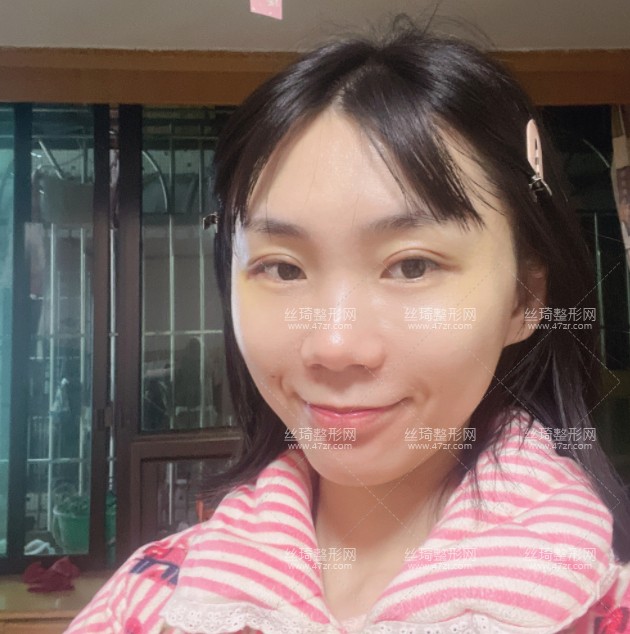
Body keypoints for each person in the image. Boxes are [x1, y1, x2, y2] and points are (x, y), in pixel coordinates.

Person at [66, 17, 630, 634]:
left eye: (412, 265)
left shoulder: (605, 609)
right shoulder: (147, 602)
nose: (333, 345)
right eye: (282, 268)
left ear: (524, 299)